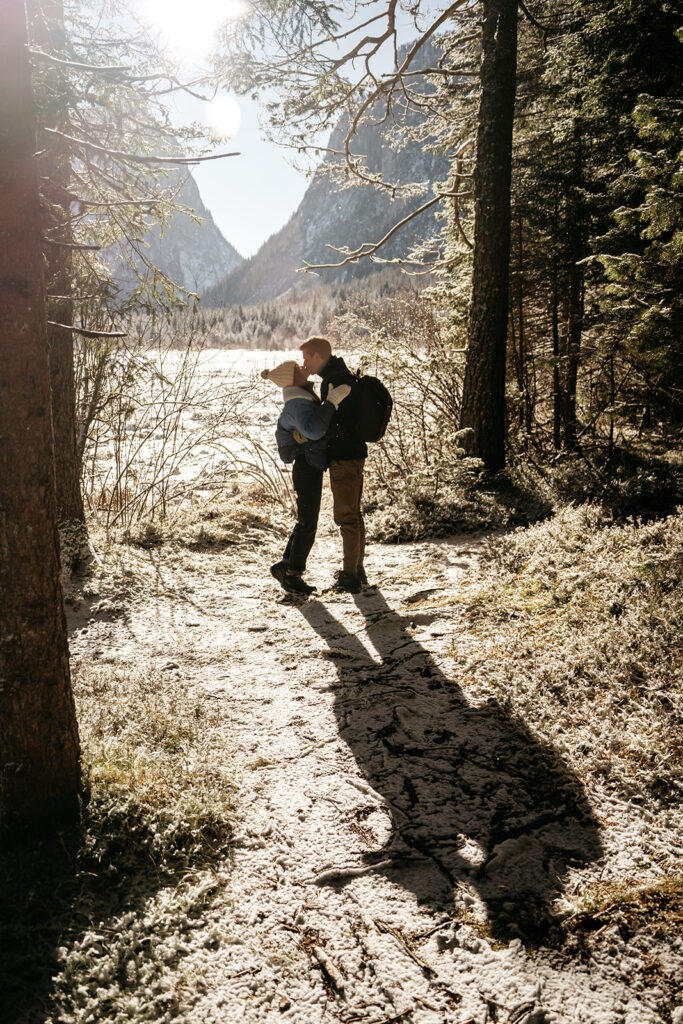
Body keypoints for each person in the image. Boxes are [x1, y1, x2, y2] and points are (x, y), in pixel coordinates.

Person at [261, 359, 350, 596]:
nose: (303, 367)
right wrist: (331, 403)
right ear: (292, 379)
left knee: (306, 520)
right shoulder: (298, 404)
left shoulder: (301, 398)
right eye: (298, 368)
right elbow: (315, 430)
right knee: (308, 522)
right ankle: (291, 572)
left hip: (308, 465)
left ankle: (287, 567)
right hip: (306, 466)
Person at [299, 336, 367, 593]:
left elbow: (331, 423)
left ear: (319, 356)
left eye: (307, 358)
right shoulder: (342, 375)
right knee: (354, 514)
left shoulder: (333, 381)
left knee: (346, 516)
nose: (305, 363)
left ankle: (350, 575)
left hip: (344, 456)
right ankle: (357, 570)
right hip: (355, 453)